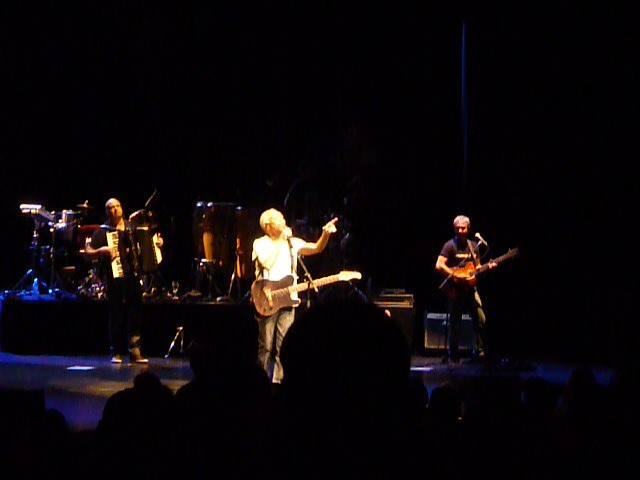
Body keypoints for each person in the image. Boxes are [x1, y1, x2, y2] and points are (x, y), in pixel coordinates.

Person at [251, 207, 337, 383]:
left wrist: (325, 234)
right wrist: (280, 240)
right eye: (278, 219)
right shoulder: (260, 243)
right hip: (266, 299)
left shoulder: (292, 242)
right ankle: (259, 383)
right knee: (266, 346)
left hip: (288, 299)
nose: (283, 220)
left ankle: (278, 383)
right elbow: (267, 262)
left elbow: (315, 248)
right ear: (268, 226)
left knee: (283, 345)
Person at [85, 198, 161, 364]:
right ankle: (117, 350)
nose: (115, 210)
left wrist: (157, 243)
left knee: (135, 312)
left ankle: (135, 350)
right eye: (111, 208)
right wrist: (101, 250)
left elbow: (149, 242)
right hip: (115, 276)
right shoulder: (103, 231)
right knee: (116, 313)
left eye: (118, 206)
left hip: (134, 275)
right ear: (107, 212)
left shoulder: (133, 227)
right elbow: (88, 250)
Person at [435, 215, 496, 364]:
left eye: (463, 228)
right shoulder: (449, 245)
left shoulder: (474, 245)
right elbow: (439, 265)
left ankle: (480, 352)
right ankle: (453, 355)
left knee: (481, 319)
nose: (460, 230)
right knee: (455, 323)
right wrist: (455, 274)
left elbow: (477, 268)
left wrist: (488, 267)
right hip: (456, 290)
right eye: (458, 228)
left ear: (468, 229)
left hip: (471, 289)